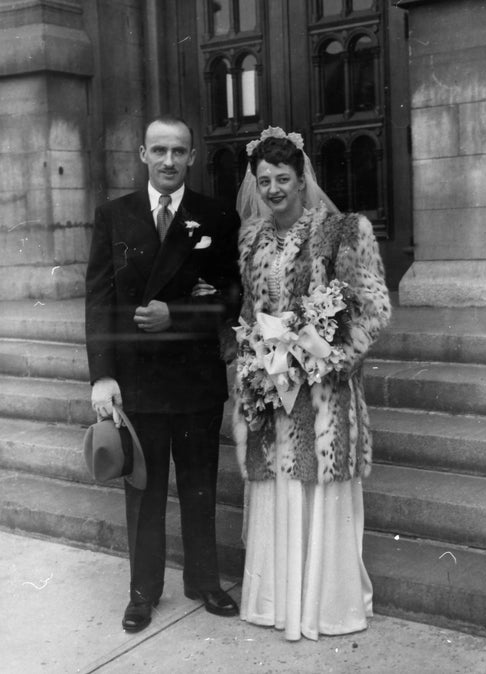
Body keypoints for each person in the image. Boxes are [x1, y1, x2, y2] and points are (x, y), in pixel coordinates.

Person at [233, 127, 391, 641]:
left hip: (323, 392)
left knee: (318, 489)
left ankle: (325, 607)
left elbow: (372, 310)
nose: (274, 189)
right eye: (265, 181)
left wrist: (329, 356)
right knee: (277, 485)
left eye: (283, 178)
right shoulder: (253, 240)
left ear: (303, 180)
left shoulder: (344, 231)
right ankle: (278, 604)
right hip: (273, 388)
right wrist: (252, 364)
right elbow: (249, 312)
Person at [85, 114, 241, 632]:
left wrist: (178, 314)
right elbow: (99, 302)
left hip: (195, 378)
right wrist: (102, 376)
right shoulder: (114, 215)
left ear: (192, 156)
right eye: (159, 151)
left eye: (179, 151)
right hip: (139, 382)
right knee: (144, 491)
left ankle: (204, 580)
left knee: (200, 485)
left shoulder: (215, 215)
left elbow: (232, 298)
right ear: (142, 155)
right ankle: (143, 590)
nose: (169, 160)